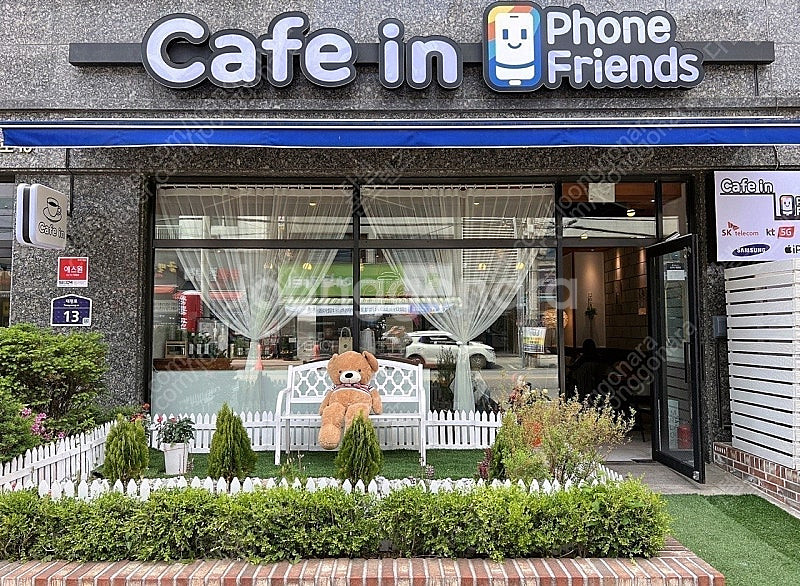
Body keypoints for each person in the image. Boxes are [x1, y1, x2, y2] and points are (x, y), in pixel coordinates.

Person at [568, 338, 607, 403]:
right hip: (595, 385)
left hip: (582, 385)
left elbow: (573, 367)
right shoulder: (599, 359)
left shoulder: (583, 359)